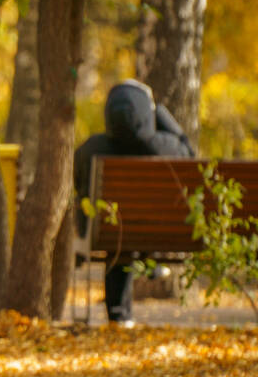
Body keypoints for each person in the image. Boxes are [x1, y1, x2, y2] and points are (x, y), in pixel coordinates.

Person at [74, 79, 194, 325]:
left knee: (118, 238)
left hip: (108, 234)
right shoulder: (166, 147)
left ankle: (119, 317)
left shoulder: (92, 149)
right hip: (158, 235)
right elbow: (189, 151)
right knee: (132, 231)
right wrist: (157, 110)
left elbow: (78, 186)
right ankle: (151, 263)